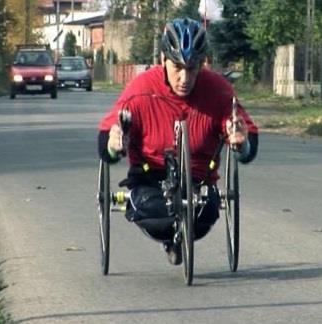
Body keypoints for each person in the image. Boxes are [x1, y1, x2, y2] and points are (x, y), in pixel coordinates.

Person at [98, 17, 258, 265]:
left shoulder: (218, 90)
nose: (185, 78)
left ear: (203, 63)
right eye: (177, 67)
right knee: (156, 216)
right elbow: (106, 141)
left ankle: (182, 233)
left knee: (204, 214)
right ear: (163, 61)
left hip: (199, 179)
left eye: (192, 68)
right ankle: (171, 235)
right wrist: (113, 143)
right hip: (150, 177)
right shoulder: (140, 88)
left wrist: (241, 143)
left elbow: (248, 143)